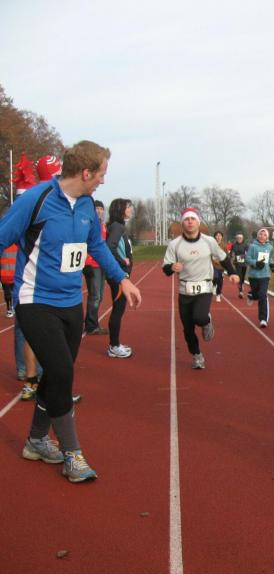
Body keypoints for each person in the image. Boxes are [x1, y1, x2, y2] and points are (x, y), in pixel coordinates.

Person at [0, 140, 142, 483]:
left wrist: (121, 278)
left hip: (70, 303)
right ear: (86, 172)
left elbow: (96, 246)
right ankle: (72, 454)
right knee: (62, 372)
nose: (104, 181)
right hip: (35, 300)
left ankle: (36, 440)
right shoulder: (37, 200)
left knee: (57, 375)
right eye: (102, 174)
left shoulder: (87, 206)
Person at [162, 207, 240, 369]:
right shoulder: (175, 244)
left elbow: (223, 258)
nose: (190, 222)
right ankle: (197, 355)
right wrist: (172, 267)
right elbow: (166, 268)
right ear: (182, 224)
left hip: (204, 287)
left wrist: (232, 273)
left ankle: (206, 321)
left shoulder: (209, 241)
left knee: (199, 317)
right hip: (184, 290)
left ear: (198, 223)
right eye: (186, 219)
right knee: (187, 329)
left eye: (193, 219)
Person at [105, 198, 134, 358]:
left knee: (119, 308)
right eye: (128, 207)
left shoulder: (119, 226)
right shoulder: (117, 226)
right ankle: (114, 346)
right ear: (120, 209)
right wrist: (123, 260)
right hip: (118, 274)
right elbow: (110, 246)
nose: (131, 209)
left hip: (120, 273)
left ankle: (115, 344)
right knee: (118, 309)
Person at [83, 199, 108, 335]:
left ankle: (91, 322)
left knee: (100, 296)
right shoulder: (89, 224)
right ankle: (91, 325)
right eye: (97, 208)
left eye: (101, 209)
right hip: (92, 264)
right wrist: (87, 262)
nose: (99, 211)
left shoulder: (102, 226)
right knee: (95, 295)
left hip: (101, 264)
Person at [245, 227, 274, 328]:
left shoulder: (270, 247)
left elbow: (270, 258)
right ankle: (251, 295)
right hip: (253, 275)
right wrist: (256, 263)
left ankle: (263, 319)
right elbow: (247, 259)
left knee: (262, 295)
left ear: (267, 237)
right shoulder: (252, 246)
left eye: (264, 235)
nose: (262, 236)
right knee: (256, 294)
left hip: (265, 275)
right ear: (257, 236)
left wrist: (272, 265)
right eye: (260, 234)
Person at [229, 232, 249, 298]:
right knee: (239, 276)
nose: (239, 239)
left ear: (242, 238)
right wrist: (232, 256)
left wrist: (245, 256)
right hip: (237, 264)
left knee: (243, 277)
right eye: (238, 238)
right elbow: (232, 253)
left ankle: (242, 284)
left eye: (240, 238)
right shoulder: (234, 245)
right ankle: (240, 292)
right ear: (236, 238)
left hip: (244, 264)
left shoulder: (246, 245)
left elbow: (248, 253)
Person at [211, 231, 226, 303]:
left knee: (220, 281)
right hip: (213, 265)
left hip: (221, 266)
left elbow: (226, 256)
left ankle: (218, 294)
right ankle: (214, 285)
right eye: (217, 235)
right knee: (215, 277)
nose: (218, 237)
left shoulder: (224, 245)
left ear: (222, 237)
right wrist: (213, 260)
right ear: (214, 237)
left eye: (220, 235)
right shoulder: (211, 245)